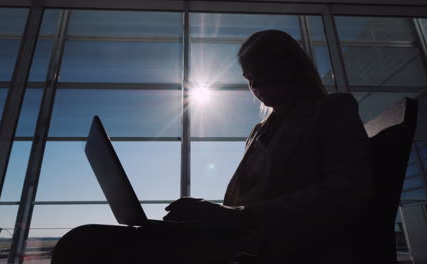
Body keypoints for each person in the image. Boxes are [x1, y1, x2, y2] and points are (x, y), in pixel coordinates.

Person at [51, 30, 373, 264]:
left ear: (291, 67)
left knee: (85, 245)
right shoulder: (261, 130)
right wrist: (210, 213)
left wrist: (239, 216)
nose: (255, 86)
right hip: (238, 241)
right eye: (249, 77)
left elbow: (346, 194)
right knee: (85, 242)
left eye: (262, 74)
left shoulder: (332, 110)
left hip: (277, 247)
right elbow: (250, 199)